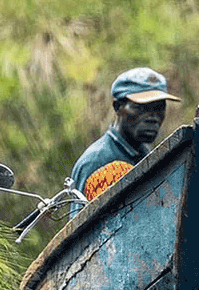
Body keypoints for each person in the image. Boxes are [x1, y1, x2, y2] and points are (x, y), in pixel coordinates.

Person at [69, 67, 182, 205]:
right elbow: (83, 224)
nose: (152, 117)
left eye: (159, 107)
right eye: (141, 107)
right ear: (118, 107)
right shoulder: (96, 162)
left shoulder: (146, 154)